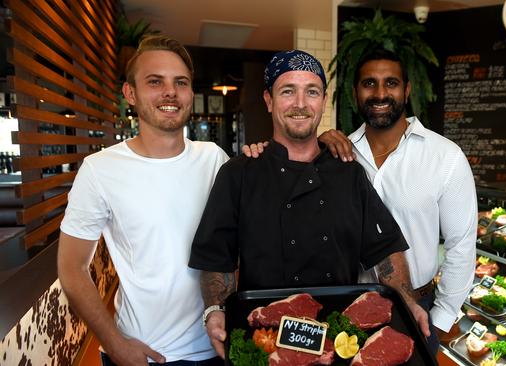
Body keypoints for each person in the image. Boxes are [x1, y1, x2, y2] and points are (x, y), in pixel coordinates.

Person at [188, 50, 430, 360]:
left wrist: (408, 302)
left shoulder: (349, 172)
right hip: (266, 339)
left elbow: (385, 249)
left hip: (339, 341)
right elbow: (215, 258)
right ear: (269, 99)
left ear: (324, 100)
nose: (301, 104)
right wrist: (215, 309)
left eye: (311, 92)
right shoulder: (239, 173)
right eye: (288, 91)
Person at [246, 48, 477, 354]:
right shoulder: (335, 152)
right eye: (369, 84)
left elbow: (461, 244)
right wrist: (265, 153)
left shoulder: (445, 156)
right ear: (355, 93)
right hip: (345, 309)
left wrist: (440, 318)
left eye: (391, 83)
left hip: (415, 305)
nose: (380, 93)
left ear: (406, 90)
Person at [57, 35, 229, 366]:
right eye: (155, 82)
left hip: (214, 346)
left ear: (191, 93)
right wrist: (115, 344)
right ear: (130, 93)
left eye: (181, 82)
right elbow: (71, 267)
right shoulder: (100, 170)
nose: (170, 92)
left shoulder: (214, 159)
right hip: (143, 353)